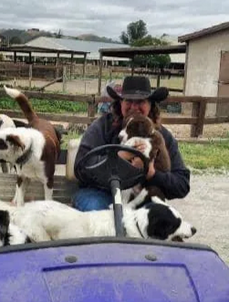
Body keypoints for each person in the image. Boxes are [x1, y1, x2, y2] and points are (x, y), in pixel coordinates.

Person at [73, 76, 190, 212]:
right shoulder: (102, 127)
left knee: (157, 218)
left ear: (151, 105)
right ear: (120, 103)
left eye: (141, 101)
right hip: (100, 193)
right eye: (128, 100)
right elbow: (81, 166)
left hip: (142, 198)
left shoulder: (162, 136)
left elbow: (182, 185)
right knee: (97, 209)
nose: (134, 107)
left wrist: (152, 174)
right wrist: (119, 158)